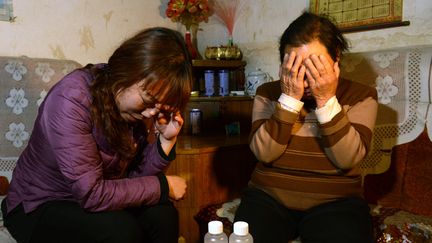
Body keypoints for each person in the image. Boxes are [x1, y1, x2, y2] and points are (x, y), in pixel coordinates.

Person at [1, 27, 193, 243]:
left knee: (163, 215)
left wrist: (165, 142)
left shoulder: (131, 109)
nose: (149, 113)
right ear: (128, 69)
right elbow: (92, 194)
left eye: (157, 108)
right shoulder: (71, 99)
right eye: (148, 100)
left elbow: (135, 182)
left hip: (89, 199)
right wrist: (163, 185)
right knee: (121, 230)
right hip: (38, 205)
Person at [233, 12, 378, 243]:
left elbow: (347, 158)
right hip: (268, 198)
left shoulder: (362, 96)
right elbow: (264, 153)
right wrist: (289, 100)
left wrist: (326, 100)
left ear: (336, 59)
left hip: (337, 203)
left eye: (315, 66)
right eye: (295, 67)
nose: (305, 79)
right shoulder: (268, 93)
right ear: (283, 64)